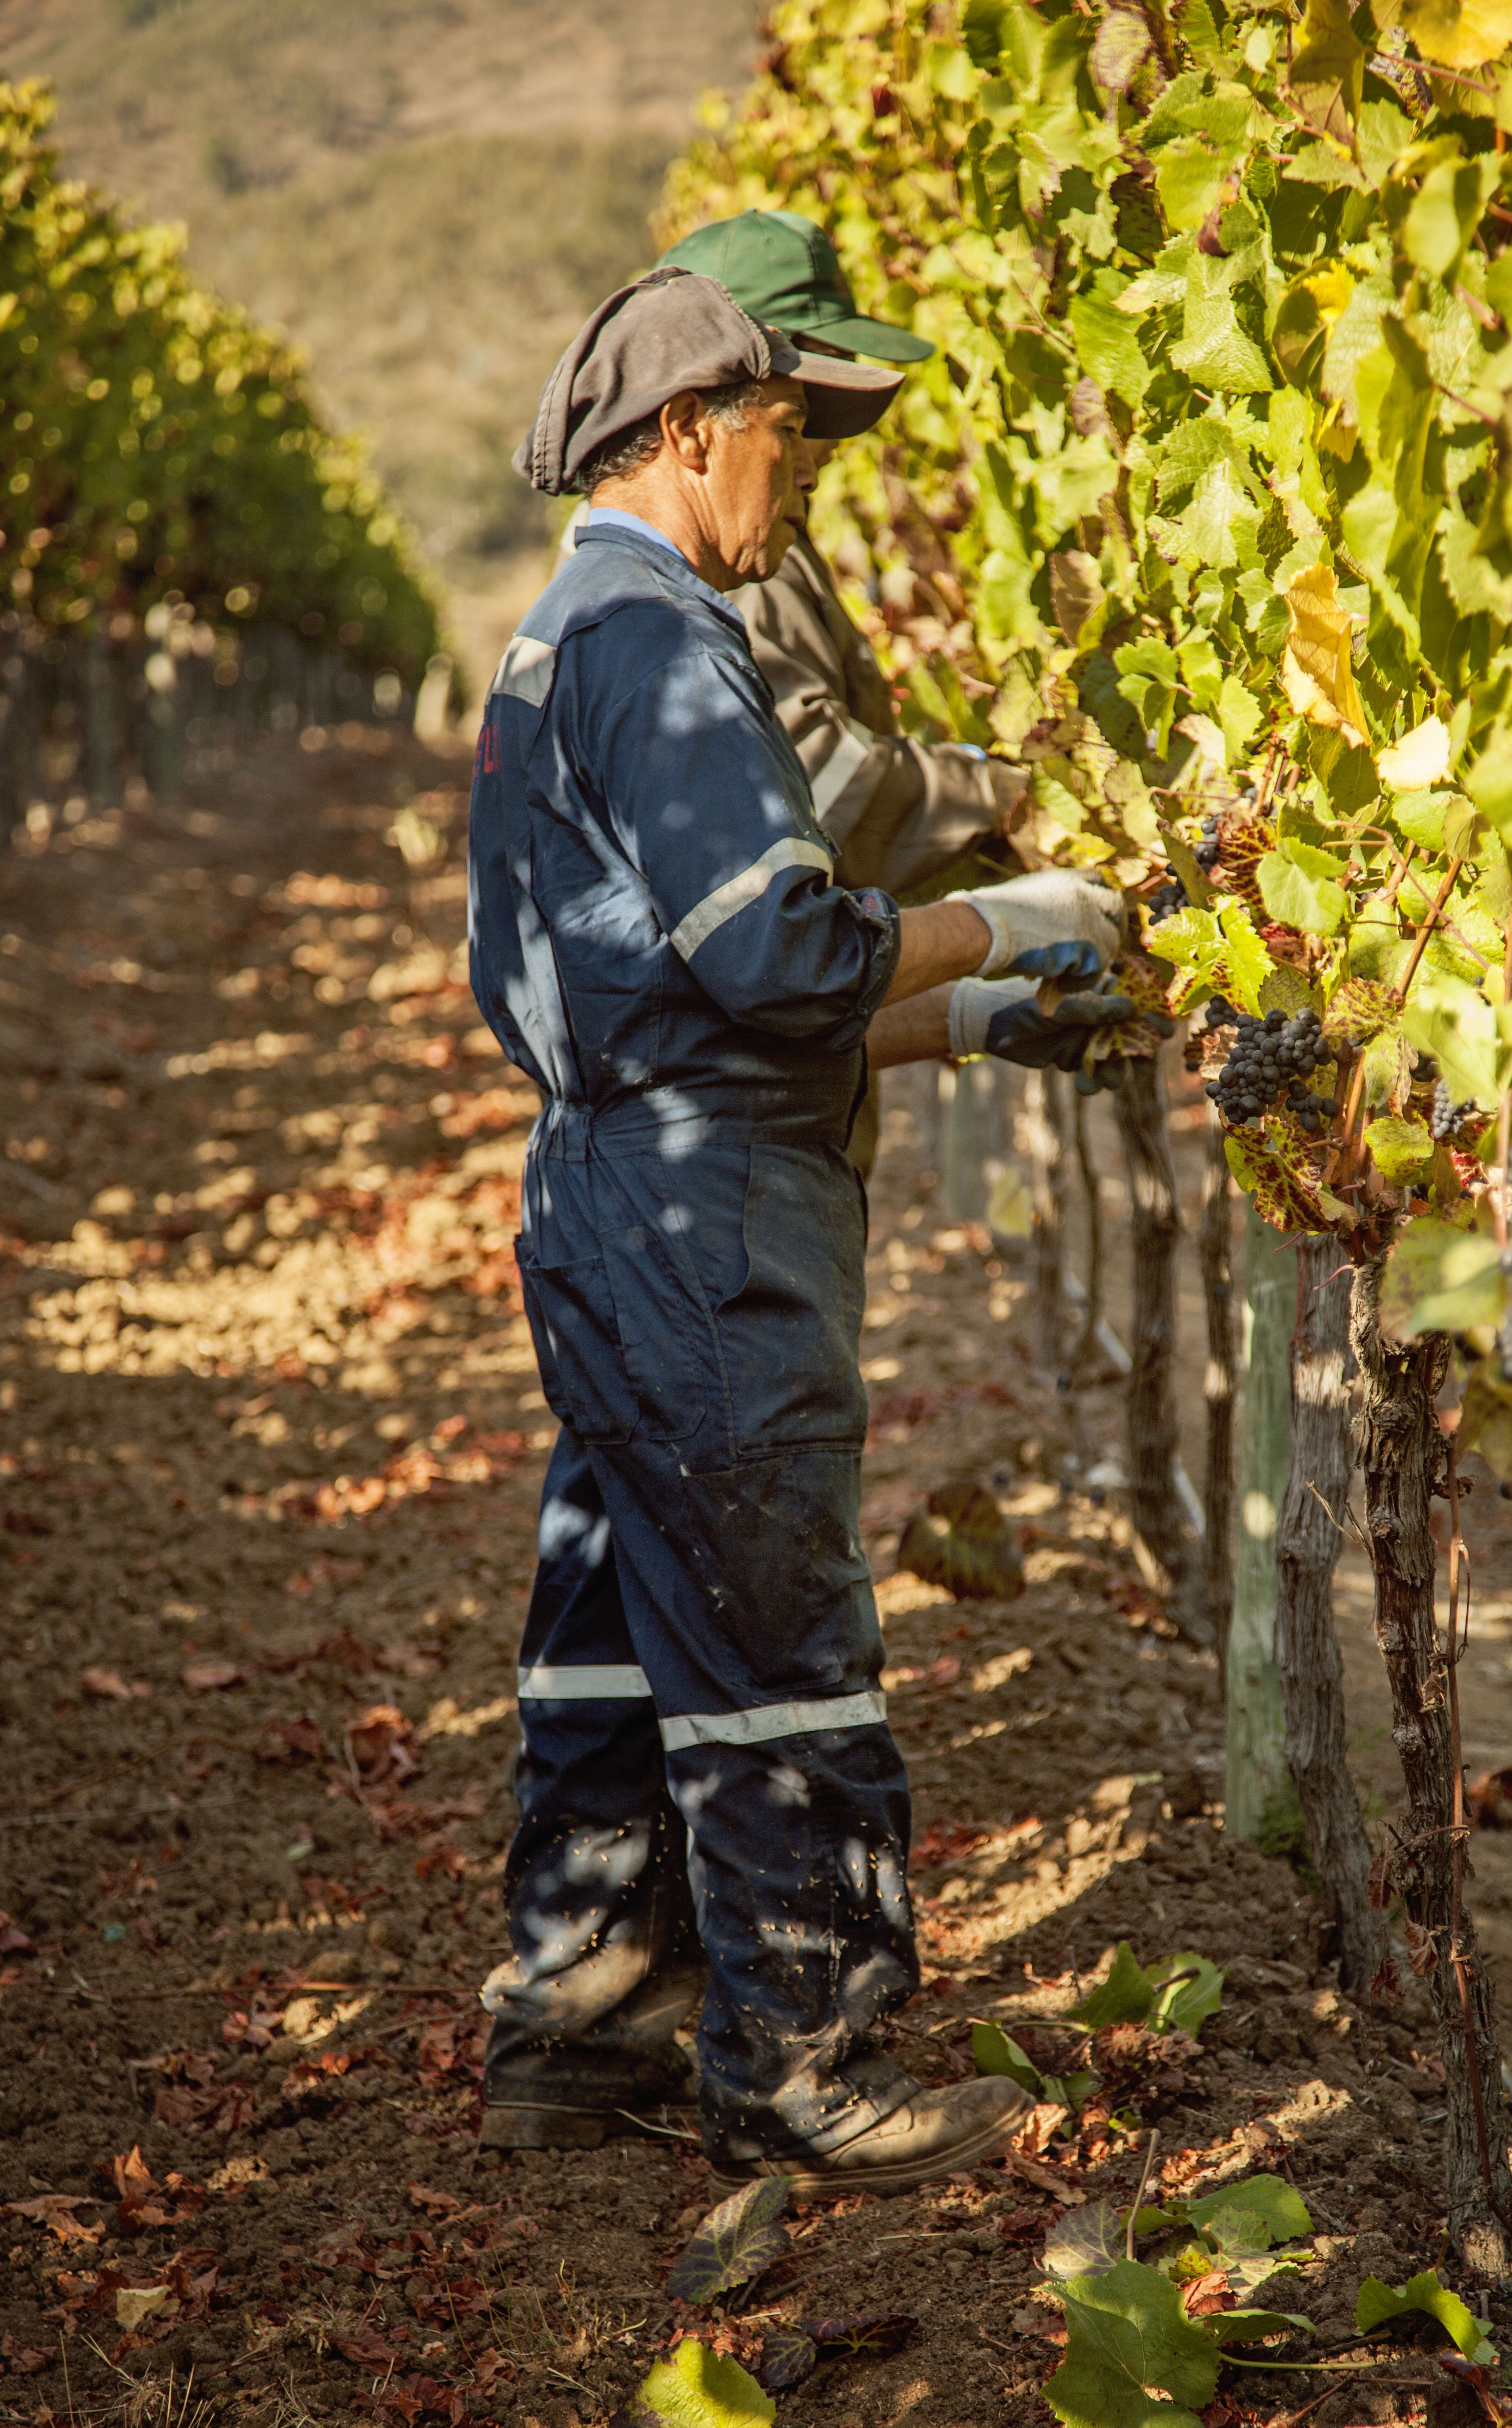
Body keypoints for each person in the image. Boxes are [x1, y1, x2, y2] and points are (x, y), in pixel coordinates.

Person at [467, 266, 1133, 2194]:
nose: (810, 478)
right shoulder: (663, 637)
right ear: (685, 430)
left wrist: (966, 1021)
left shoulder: (559, 633)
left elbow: (683, 998)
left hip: (616, 1186)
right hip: (705, 1227)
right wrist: (1016, 916)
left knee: (615, 1613)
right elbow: (770, 948)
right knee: (777, 1637)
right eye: (788, 433)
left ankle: (578, 2015)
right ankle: (802, 2068)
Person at [572, 211, 1031, 1172]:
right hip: (718, 1192)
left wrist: (969, 1018)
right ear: (699, 412)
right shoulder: (704, 601)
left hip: (739, 1167)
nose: (822, 436)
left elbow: (738, 1000)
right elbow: (780, 928)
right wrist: (1004, 877)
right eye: (796, 411)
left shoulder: (681, 581)